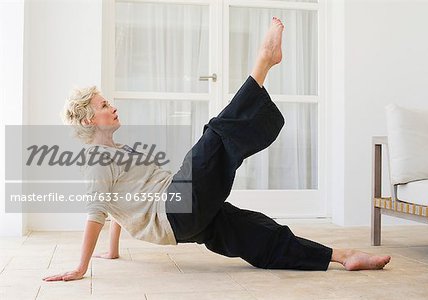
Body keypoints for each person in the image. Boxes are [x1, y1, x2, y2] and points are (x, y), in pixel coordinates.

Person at [43, 17, 390, 282]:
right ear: (89, 121)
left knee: (260, 234)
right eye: (104, 105)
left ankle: (343, 256)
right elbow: (98, 210)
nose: (112, 107)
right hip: (175, 210)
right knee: (214, 138)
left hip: (184, 222)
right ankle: (263, 63)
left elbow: (122, 206)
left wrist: (113, 251)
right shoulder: (97, 161)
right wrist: (80, 267)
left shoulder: (117, 151)